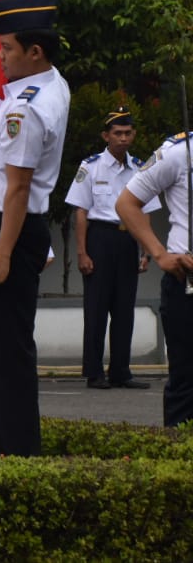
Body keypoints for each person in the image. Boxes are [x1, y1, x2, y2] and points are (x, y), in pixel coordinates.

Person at [0, 0, 68, 457]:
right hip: (11, 228)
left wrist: (1, 257)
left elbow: (18, 188)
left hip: (6, 231)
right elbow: (41, 35)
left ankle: (11, 455)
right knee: (6, 350)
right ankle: (10, 449)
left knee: (5, 355)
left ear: (32, 52)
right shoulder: (46, 80)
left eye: (6, 47)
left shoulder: (27, 111)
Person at [65, 107, 158, 390]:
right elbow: (81, 212)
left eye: (128, 133)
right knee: (96, 308)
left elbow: (145, 212)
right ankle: (94, 373)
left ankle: (120, 371)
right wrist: (82, 252)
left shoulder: (140, 168)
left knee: (123, 309)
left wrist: (146, 250)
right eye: (117, 133)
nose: (123, 138)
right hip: (100, 239)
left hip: (127, 239)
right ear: (106, 136)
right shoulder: (91, 167)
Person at [117, 133, 193, 426]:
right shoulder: (177, 152)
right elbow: (127, 204)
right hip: (186, 280)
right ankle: (178, 463)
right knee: (186, 381)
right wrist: (160, 254)